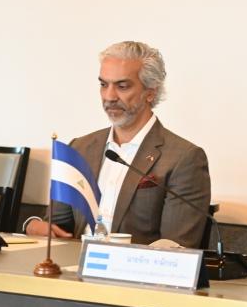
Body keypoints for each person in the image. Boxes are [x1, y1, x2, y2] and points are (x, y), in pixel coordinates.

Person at [24, 41, 211, 247]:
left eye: (122, 86)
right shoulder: (80, 148)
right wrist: (35, 226)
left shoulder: (184, 158)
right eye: (104, 85)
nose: (109, 96)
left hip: (136, 267)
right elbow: (58, 227)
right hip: (73, 263)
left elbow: (175, 249)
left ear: (150, 92)